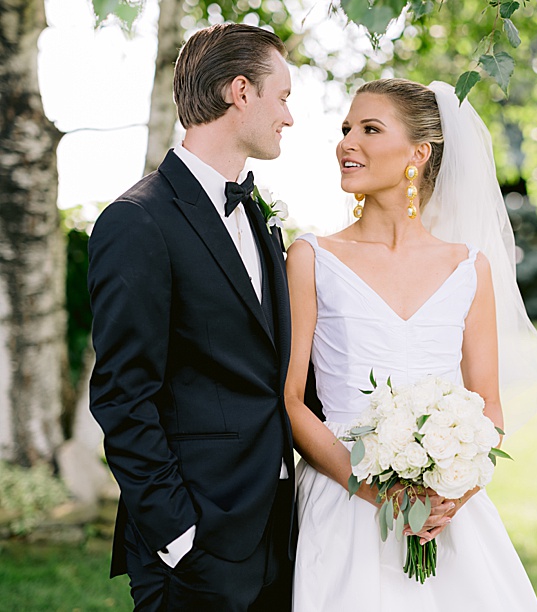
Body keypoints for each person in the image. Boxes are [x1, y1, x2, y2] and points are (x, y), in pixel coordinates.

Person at [284, 78, 537, 610]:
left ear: (419, 154)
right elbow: (289, 400)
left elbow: (488, 404)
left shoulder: (469, 267)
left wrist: (453, 494)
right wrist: (374, 492)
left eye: (370, 129)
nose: (346, 143)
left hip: (445, 519)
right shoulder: (311, 257)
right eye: (345, 129)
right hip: (343, 506)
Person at [87, 23, 296, 610]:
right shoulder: (137, 220)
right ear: (240, 91)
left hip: (279, 532)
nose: (289, 116)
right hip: (196, 542)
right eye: (282, 96)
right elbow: (123, 396)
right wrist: (178, 536)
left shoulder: (256, 217)